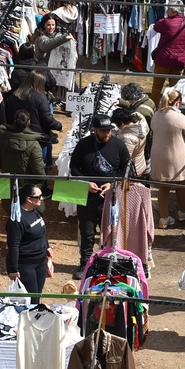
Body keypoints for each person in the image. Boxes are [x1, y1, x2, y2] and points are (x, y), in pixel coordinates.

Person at [70, 113, 130, 278]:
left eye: (109, 130)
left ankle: (109, 264)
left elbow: (127, 171)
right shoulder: (83, 145)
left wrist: (112, 185)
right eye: (103, 131)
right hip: (87, 197)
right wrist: (85, 183)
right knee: (87, 232)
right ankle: (85, 264)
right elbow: (74, 168)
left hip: (111, 198)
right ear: (94, 130)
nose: (107, 133)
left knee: (112, 233)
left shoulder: (119, 146)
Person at [149, 89, 185, 228]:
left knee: (164, 185)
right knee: (181, 183)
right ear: (178, 102)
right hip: (177, 155)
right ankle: (182, 212)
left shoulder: (156, 115)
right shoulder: (180, 118)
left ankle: (163, 218)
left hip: (158, 154)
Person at [4, 70, 59, 168]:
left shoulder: (14, 95)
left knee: (20, 166)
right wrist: (59, 126)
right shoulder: (41, 98)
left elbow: (8, 115)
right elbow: (47, 119)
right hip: (38, 138)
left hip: (17, 136)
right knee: (40, 166)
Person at [7, 183, 52, 297]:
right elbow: (13, 245)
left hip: (41, 261)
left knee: (37, 296)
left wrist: (47, 246)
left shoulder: (36, 211)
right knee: (30, 300)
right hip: (26, 265)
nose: (41, 199)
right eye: (38, 197)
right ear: (29, 199)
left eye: (42, 195)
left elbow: (41, 233)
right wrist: (13, 268)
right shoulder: (17, 220)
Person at [149, 0, 185, 102]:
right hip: (178, 61)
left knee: (157, 86)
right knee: (175, 89)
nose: (166, 11)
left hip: (163, 60)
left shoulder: (165, 23)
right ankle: (173, 108)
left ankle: (153, 108)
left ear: (174, 11)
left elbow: (156, 26)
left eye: (168, 9)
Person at [0, 110, 46, 191]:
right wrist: (41, 180)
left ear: (14, 121)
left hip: (8, 183)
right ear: (29, 122)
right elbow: (38, 168)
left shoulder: (2, 139)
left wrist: (7, 168)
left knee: (8, 203)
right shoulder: (34, 144)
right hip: (29, 187)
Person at [33, 12, 77, 103]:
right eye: (48, 25)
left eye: (53, 25)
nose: (51, 27)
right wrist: (64, 38)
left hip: (53, 70)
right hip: (43, 71)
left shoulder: (54, 35)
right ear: (43, 25)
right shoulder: (40, 37)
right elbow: (46, 45)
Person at [113, 106, 149, 177]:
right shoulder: (142, 125)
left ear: (121, 123)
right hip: (141, 163)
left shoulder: (127, 138)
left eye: (117, 124)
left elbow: (125, 158)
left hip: (133, 170)